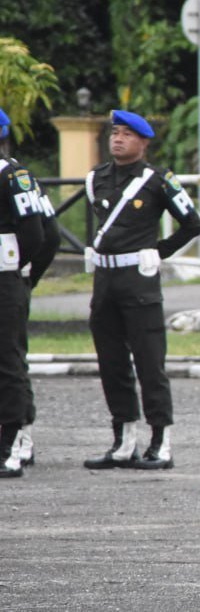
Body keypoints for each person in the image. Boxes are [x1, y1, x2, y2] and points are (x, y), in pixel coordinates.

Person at [83, 110, 200, 471]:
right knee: (111, 363)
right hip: (105, 281)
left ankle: (160, 442)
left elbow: (192, 224)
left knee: (150, 362)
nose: (118, 139)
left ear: (143, 142)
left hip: (139, 280)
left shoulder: (157, 180)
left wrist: (157, 252)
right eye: (114, 133)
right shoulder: (96, 178)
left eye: (126, 135)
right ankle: (123, 441)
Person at [0, 106, 57, 479]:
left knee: (8, 361)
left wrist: (24, 275)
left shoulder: (13, 176)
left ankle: (12, 442)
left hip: (5, 276)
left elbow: (40, 235)